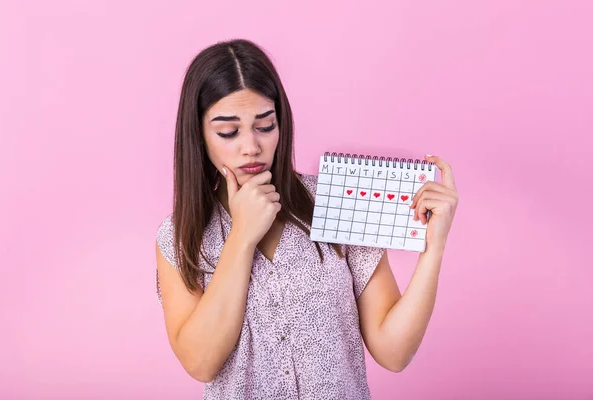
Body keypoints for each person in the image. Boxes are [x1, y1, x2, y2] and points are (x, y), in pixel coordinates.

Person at [155, 38, 459, 400]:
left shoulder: (338, 200)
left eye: (265, 126)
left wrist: (434, 249)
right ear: (199, 135)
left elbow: (394, 352)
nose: (250, 146)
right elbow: (201, 362)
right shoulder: (179, 237)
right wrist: (241, 237)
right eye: (228, 132)